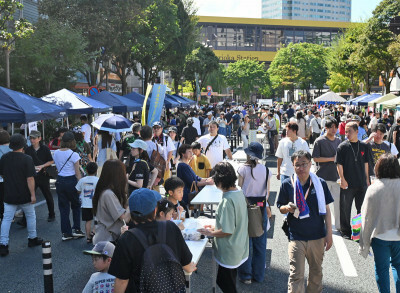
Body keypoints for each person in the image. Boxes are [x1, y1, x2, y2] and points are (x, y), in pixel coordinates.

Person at [108, 188, 196, 293]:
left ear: (131, 213)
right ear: (155, 210)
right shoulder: (170, 227)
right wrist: (192, 267)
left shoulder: (127, 238)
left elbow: (121, 281)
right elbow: (187, 265)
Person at [277, 150, 333, 293]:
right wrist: (287, 208)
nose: (301, 168)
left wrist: (329, 235)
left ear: (310, 164)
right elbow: (280, 207)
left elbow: (326, 210)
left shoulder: (320, 183)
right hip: (296, 236)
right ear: (293, 166)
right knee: (296, 275)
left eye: (304, 164)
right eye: (297, 165)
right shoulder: (287, 184)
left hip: (317, 236)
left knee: (316, 274)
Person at [198, 162, 249, 293]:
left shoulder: (227, 200)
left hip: (229, 249)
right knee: (229, 280)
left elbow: (227, 230)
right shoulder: (239, 192)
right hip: (239, 245)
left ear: (220, 181)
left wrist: (210, 232)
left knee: (225, 282)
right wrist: (215, 227)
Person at [359, 154, 400, 293]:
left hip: (380, 236)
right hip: (399, 237)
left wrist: (364, 240)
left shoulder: (374, 188)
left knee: (381, 269)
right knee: (398, 267)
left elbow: (366, 215)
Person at [0, 134, 43, 256]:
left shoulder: (4, 158)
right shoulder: (27, 159)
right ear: (23, 145)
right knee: (30, 215)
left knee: (6, 219)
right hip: (25, 194)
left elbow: (2, 175)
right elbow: (30, 179)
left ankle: (3, 245)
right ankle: (32, 238)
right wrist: (33, 195)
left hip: (9, 193)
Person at [237, 142, 271, 284]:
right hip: (261, 207)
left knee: (246, 243)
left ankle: (246, 276)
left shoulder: (242, 169)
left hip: (246, 207)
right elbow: (267, 193)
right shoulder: (266, 170)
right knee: (260, 243)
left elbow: (239, 188)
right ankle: (259, 275)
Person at [336, 122, 372, 239]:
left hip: (361, 182)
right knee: (345, 208)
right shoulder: (342, 146)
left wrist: (367, 180)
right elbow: (339, 164)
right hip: (347, 183)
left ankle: (358, 231)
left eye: (349, 131)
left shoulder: (364, 146)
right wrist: (342, 179)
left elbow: (366, 163)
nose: (347, 134)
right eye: (345, 131)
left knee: (361, 208)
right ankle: (345, 231)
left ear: (357, 131)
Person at [53, 131, 85, 241]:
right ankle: (76, 229)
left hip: (60, 181)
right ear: (72, 142)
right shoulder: (74, 154)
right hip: (71, 181)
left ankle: (66, 233)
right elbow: (77, 173)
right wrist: (81, 185)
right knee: (75, 205)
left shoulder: (56, 153)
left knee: (63, 208)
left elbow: (57, 167)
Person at [312, 118, 342, 231]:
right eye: (331, 127)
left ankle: (339, 226)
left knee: (338, 204)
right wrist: (331, 159)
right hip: (323, 177)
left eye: (335, 127)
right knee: (322, 203)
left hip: (337, 177)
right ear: (326, 128)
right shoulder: (319, 141)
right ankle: (322, 225)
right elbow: (315, 158)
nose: (334, 129)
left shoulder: (339, 141)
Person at [92, 160, 131, 245]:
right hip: (107, 240)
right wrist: (132, 203)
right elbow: (125, 218)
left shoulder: (106, 191)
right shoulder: (108, 194)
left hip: (105, 237)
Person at [24, 130, 56, 222]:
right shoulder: (28, 150)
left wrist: (42, 166)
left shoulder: (45, 149)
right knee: (29, 196)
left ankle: (52, 214)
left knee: (47, 195)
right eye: (31, 138)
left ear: (39, 138)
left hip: (43, 175)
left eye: (34, 138)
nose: (32, 140)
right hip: (32, 176)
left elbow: (51, 161)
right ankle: (25, 218)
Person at [76, 162, 99, 244]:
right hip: (95, 204)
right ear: (96, 171)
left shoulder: (82, 180)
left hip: (85, 204)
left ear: (86, 170)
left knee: (88, 221)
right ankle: (93, 232)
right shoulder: (98, 180)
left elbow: (78, 190)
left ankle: (88, 237)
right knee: (98, 220)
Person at [0, 130, 11, 221]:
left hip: (0, 177)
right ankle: (8, 217)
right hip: (10, 178)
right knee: (8, 200)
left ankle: (1, 216)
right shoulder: (13, 149)